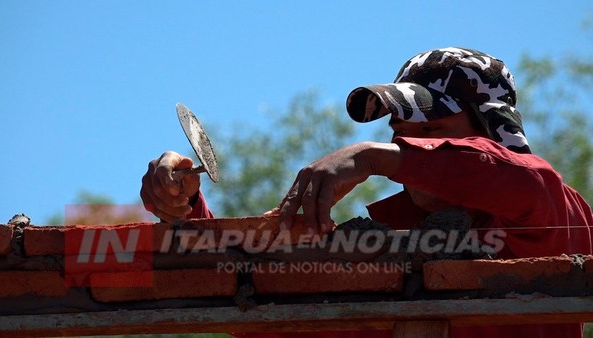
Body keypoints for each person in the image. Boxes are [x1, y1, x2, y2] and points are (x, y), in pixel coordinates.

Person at [141, 47, 593, 338]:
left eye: (432, 130)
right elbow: (259, 309)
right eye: (399, 133)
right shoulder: (385, 246)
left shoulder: (552, 212)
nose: (408, 145)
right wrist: (184, 214)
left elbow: (525, 181)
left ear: (494, 133)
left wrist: (372, 156)